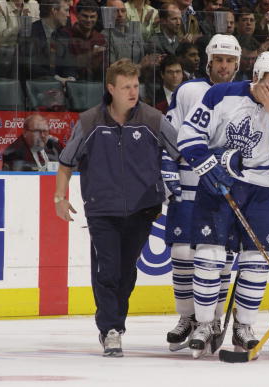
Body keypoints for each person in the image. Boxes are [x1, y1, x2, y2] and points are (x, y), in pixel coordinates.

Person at [176, 51, 269, 358]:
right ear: (256, 79)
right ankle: (205, 324)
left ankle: (244, 326)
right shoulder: (220, 94)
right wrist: (209, 164)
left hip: (261, 192)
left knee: (257, 261)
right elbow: (188, 134)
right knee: (209, 256)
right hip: (218, 186)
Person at [54, 59, 179, 357]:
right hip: (102, 209)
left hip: (143, 208)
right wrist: (60, 197)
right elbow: (65, 162)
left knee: (126, 271)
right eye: (126, 87)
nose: (133, 92)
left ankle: (114, 324)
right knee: (107, 270)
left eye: (136, 86)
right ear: (111, 89)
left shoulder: (153, 119)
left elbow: (184, 152)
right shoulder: (89, 122)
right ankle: (110, 329)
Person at [163, 34, 241, 352]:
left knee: (218, 259)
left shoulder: (244, 94)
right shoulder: (188, 90)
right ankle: (188, 318)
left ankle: (214, 319)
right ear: (208, 61)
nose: (223, 66)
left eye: (229, 60)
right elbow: (170, 132)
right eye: (218, 60)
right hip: (189, 182)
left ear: (237, 64)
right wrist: (167, 167)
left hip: (225, 185)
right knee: (182, 255)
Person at [52, 0, 106, 82]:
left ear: (97, 17)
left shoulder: (100, 38)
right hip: (70, 84)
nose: (89, 20)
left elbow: (103, 68)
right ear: (77, 15)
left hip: (95, 84)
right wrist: (91, 54)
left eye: (92, 16)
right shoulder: (64, 35)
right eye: (85, 16)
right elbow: (66, 64)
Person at [30, 0, 70, 79]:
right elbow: (31, 67)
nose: (68, 15)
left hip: (61, 87)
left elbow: (70, 64)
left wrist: (70, 78)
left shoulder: (64, 35)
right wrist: (56, 79)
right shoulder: (31, 32)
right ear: (54, 10)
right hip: (38, 86)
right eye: (66, 10)